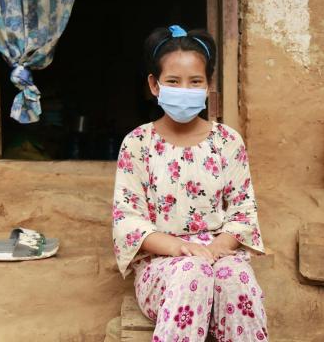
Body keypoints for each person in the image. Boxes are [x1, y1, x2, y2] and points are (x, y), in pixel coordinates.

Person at [112, 25, 268, 342]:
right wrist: (182, 249)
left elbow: (242, 212)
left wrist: (215, 250)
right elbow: (128, 221)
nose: (185, 88)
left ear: (208, 84)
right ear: (155, 85)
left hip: (219, 256)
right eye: (173, 81)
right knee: (191, 271)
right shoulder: (138, 144)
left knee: (236, 277)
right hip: (163, 267)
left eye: (195, 81)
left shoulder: (228, 142)